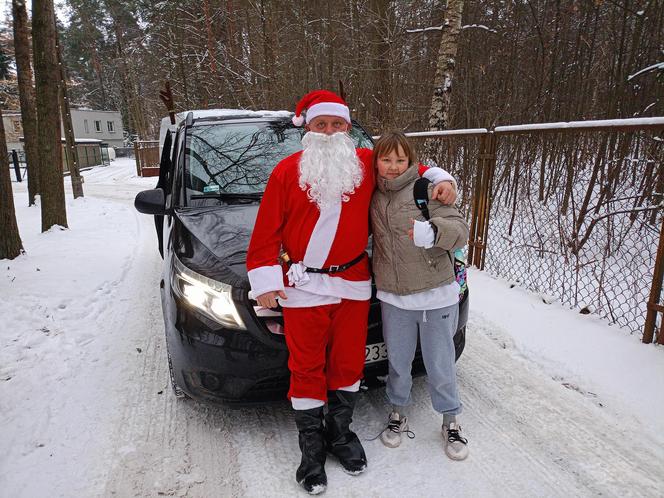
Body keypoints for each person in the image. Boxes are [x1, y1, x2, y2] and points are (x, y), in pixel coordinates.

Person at [246, 90, 457, 494]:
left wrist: (442, 180)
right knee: (306, 366)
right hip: (304, 285)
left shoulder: (363, 163)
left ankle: (340, 435)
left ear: (347, 128)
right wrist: (267, 282)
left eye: (337, 124)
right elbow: (266, 231)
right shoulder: (287, 172)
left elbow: (409, 167)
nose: (329, 132)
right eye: (321, 125)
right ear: (307, 129)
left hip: (353, 283)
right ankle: (311, 450)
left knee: (347, 364)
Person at [370, 131, 470, 460]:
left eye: (401, 159)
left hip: (435, 295)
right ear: (376, 161)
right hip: (393, 297)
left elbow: (460, 230)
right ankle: (397, 413)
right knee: (398, 362)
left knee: (439, 363)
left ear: (411, 161)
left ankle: (451, 421)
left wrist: (435, 233)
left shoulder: (426, 188)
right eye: (386, 159)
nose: (393, 166)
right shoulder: (372, 193)